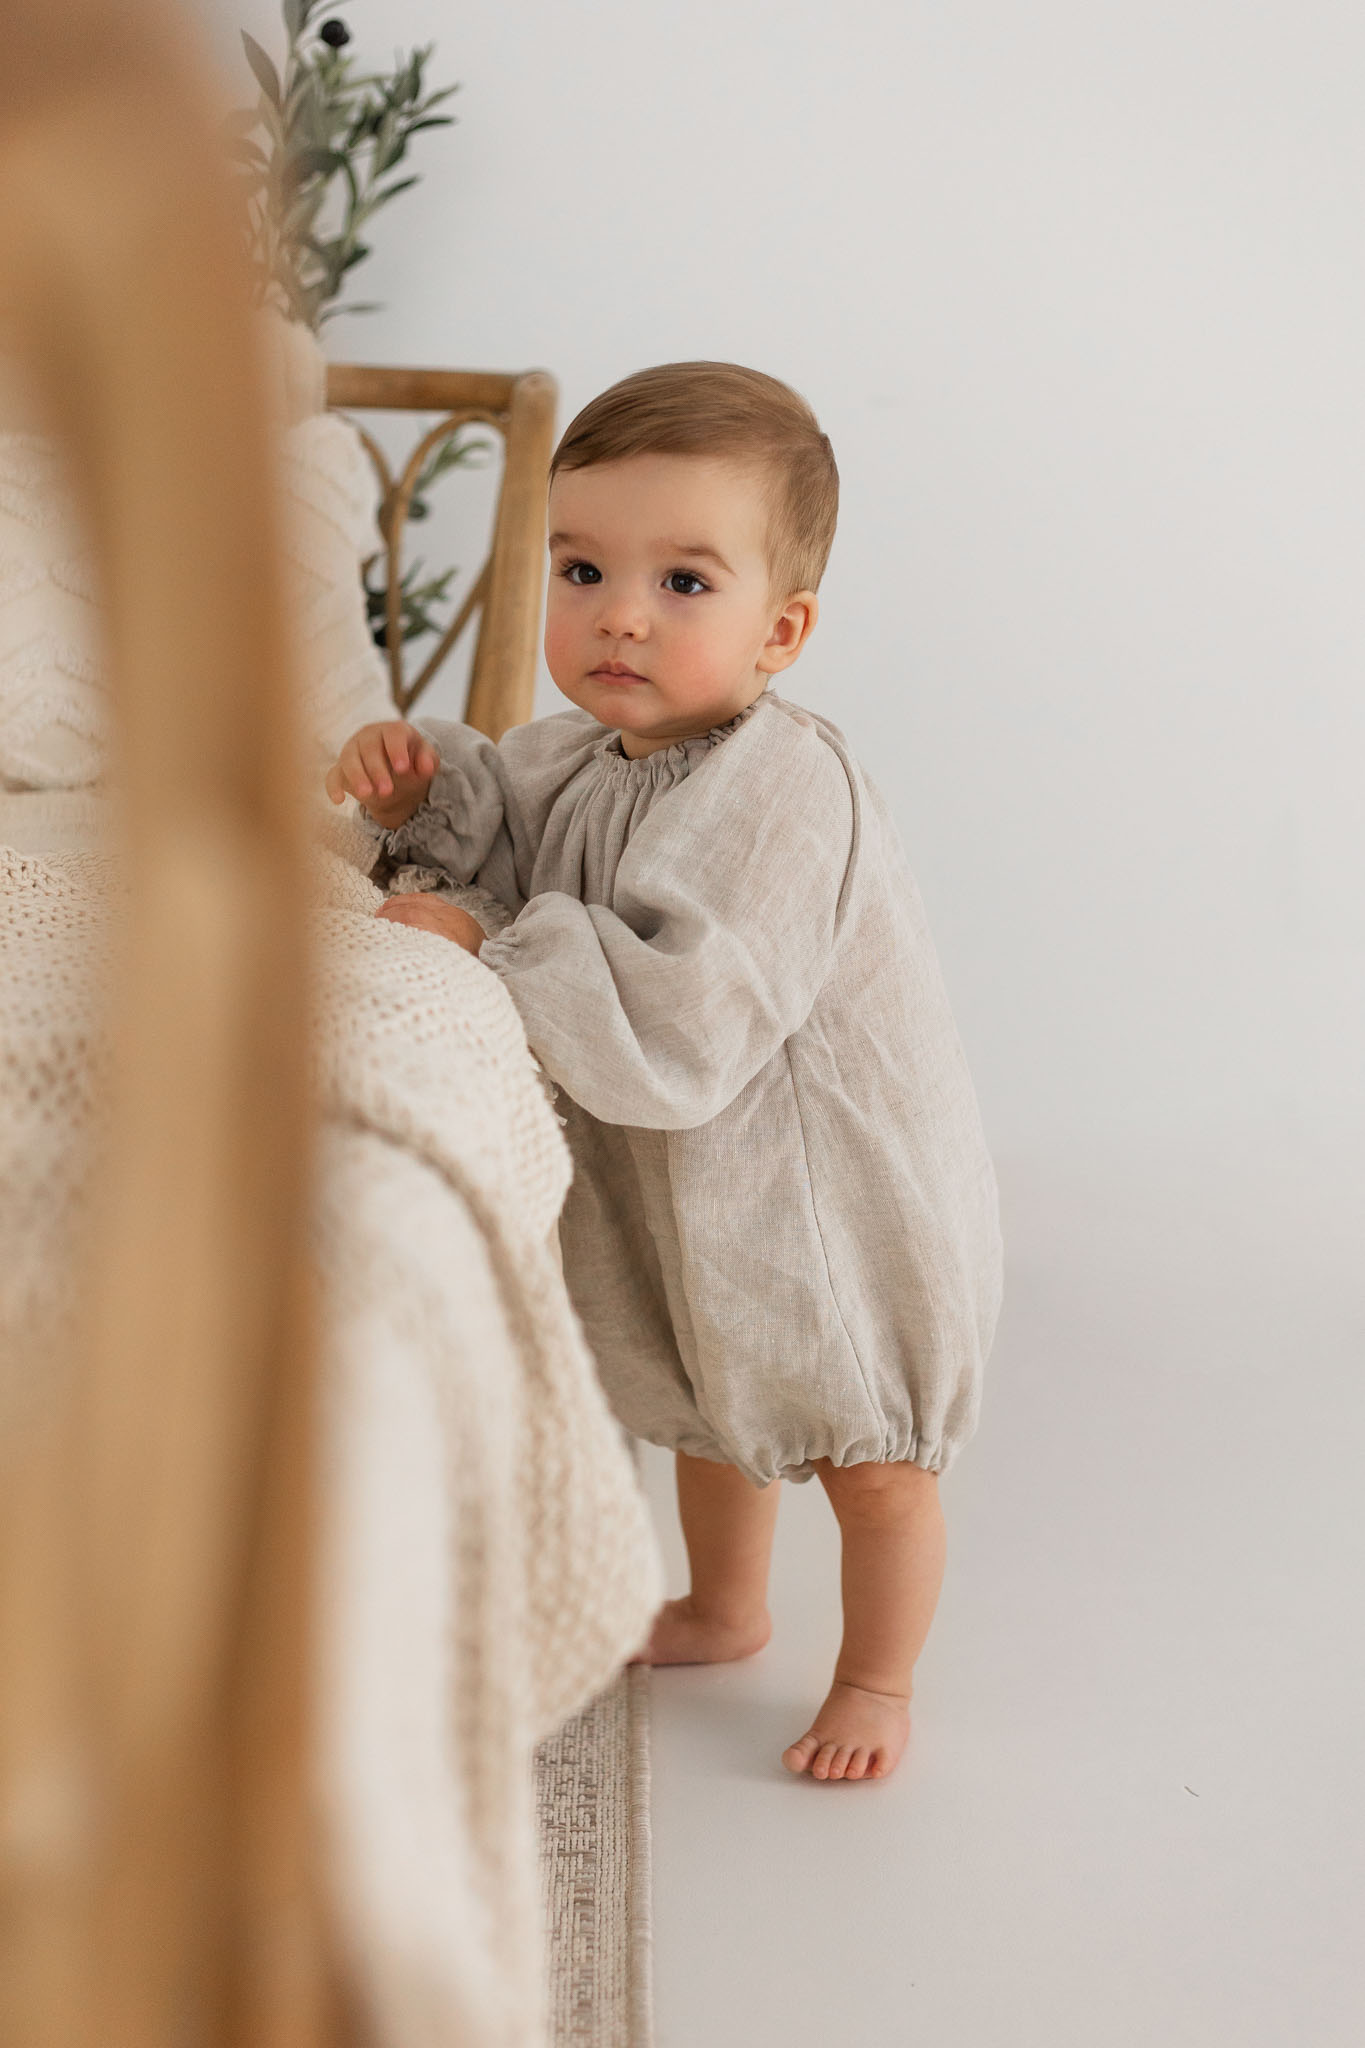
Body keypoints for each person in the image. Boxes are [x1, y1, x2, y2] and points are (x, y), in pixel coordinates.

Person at [324, 361, 1003, 1784]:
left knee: (869, 1456)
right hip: (699, 1189)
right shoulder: (582, 755)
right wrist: (421, 786)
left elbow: (684, 1007)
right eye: (582, 570)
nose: (619, 614)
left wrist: (490, 938)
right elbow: (500, 825)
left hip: (824, 1195)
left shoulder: (782, 788)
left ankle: (875, 1678)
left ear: (782, 629)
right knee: (709, 1397)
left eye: (684, 582)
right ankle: (723, 1607)